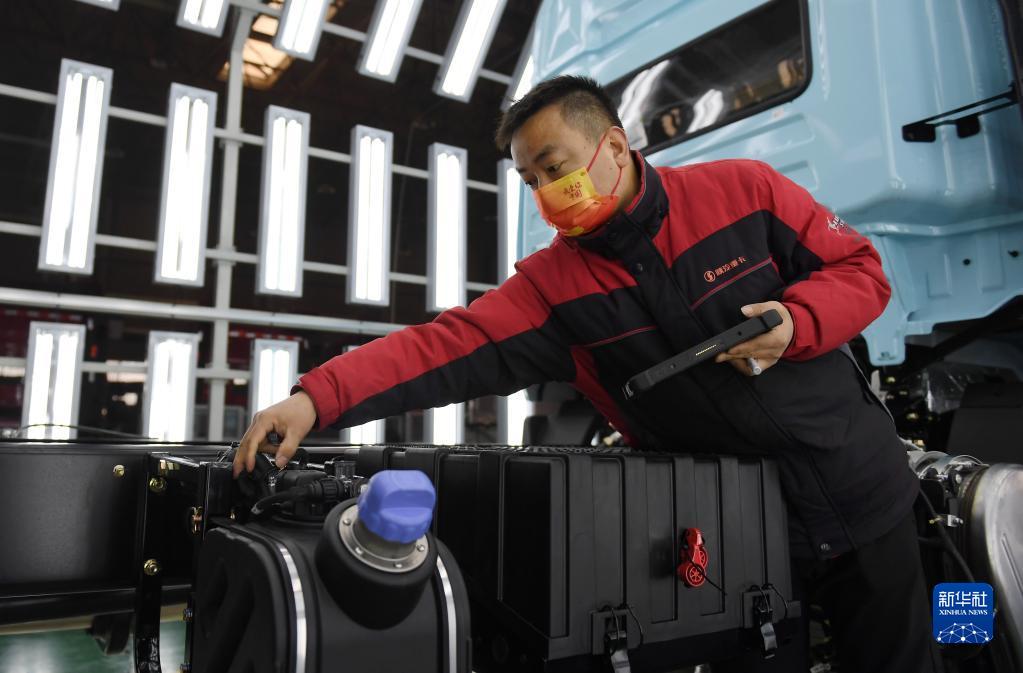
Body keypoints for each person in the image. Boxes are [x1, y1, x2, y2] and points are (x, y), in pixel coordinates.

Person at [234, 76, 939, 673]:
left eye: (554, 166)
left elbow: (859, 270)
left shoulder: (742, 191)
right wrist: (316, 397)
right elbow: (444, 346)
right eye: (531, 180)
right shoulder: (551, 290)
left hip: (861, 494)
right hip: (736, 537)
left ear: (614, 147)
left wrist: (797, 321)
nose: (547, 191)